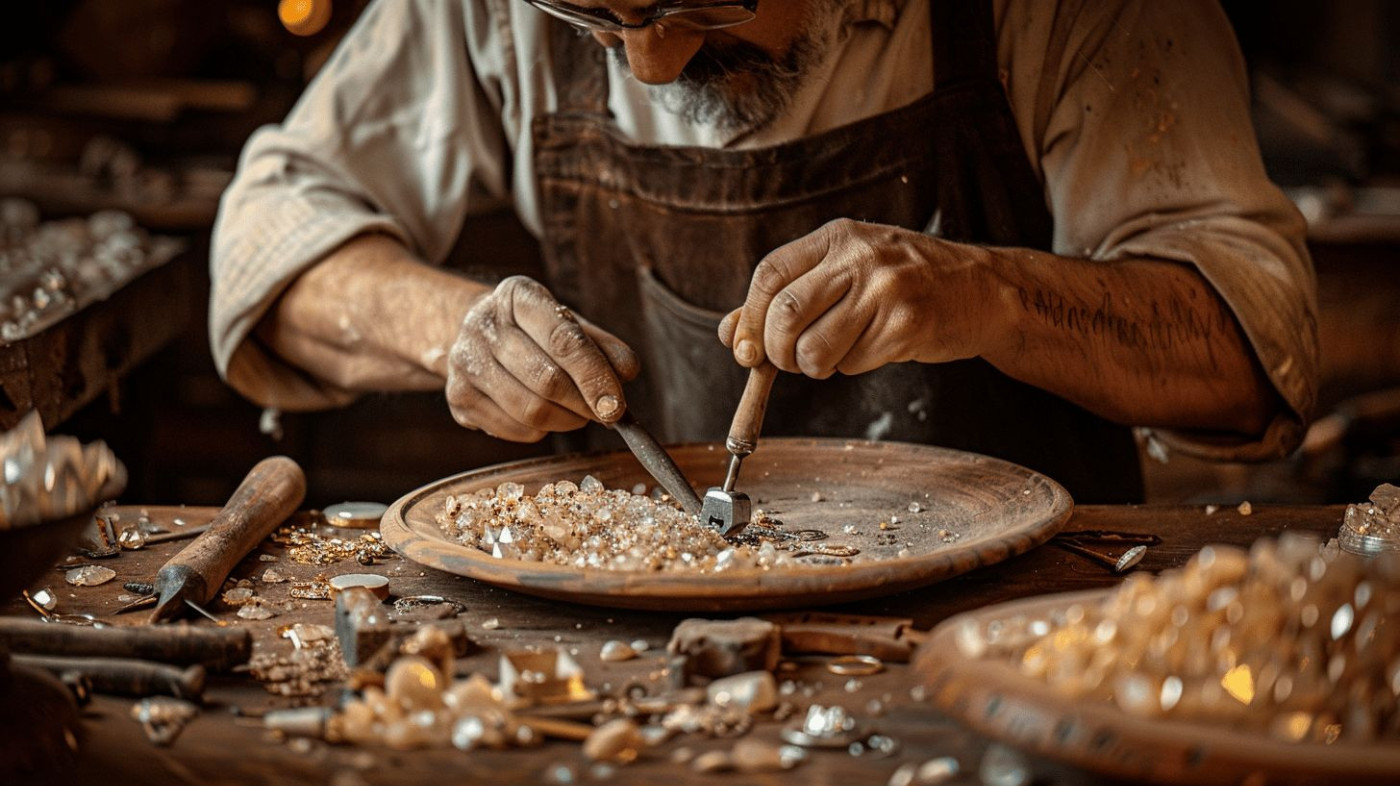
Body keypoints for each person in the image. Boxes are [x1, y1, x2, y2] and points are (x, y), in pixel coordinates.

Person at [210, 0, 1317, 503]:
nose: (649, 63)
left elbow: (1254, 351)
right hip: (640, 662)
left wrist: (997, 295)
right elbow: (268, 237)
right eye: (599, 15)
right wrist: (455, 329)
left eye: (704, 2)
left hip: (1017, 645)